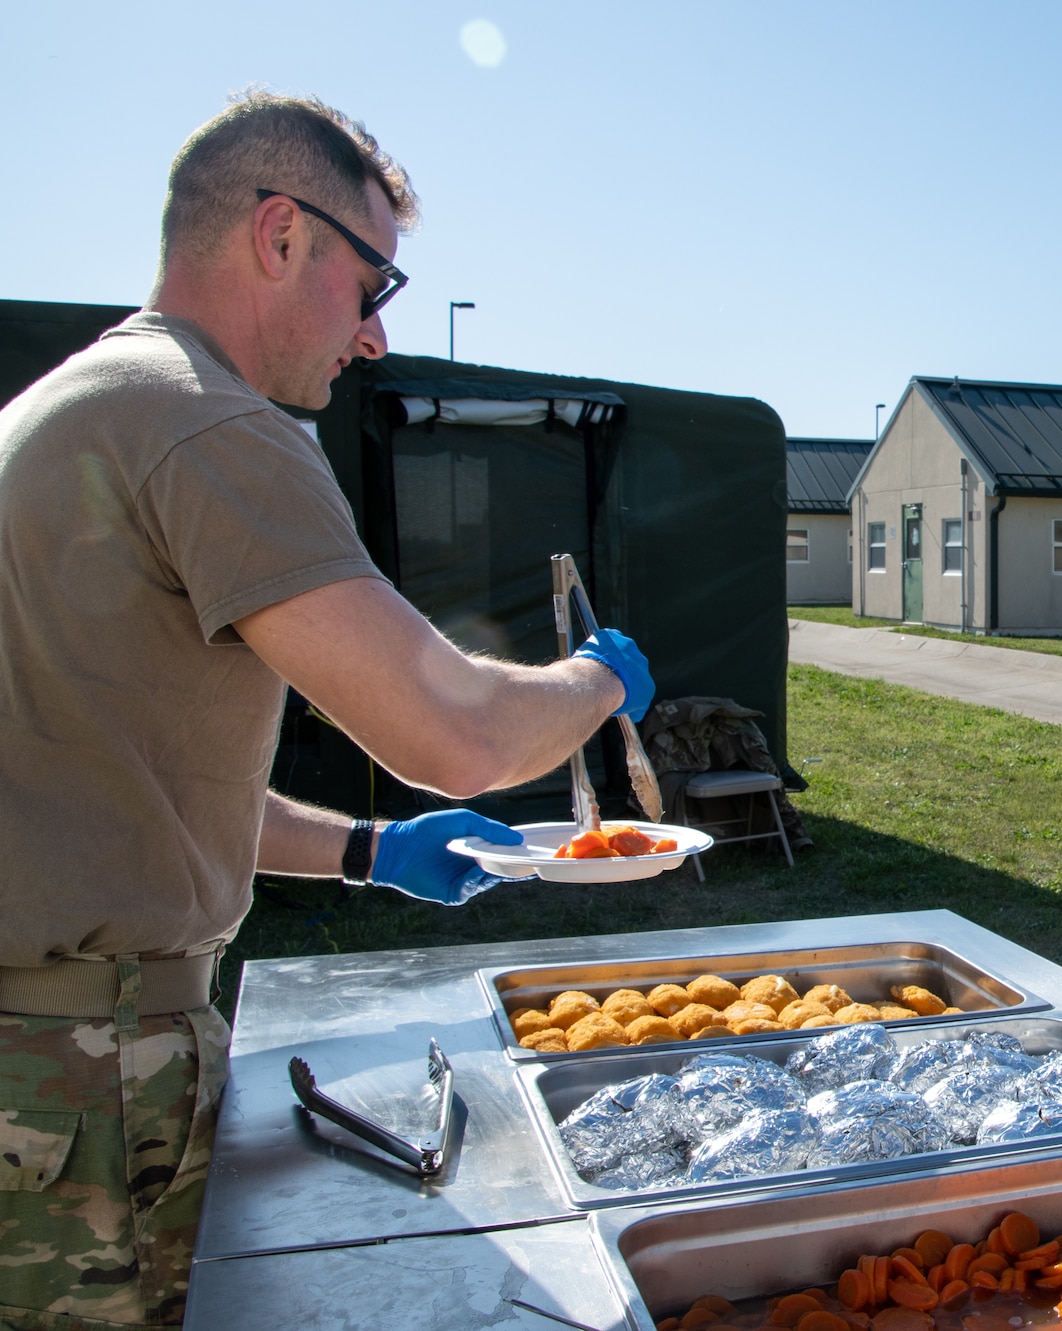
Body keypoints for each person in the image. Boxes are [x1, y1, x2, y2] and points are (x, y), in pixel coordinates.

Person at [0, 93, 654, 1328]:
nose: (370, 339)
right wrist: (601, 682)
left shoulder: (72, 403)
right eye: (376, 287)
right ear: (281, 235)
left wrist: (362, 849)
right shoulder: (209, 421)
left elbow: (114, 777)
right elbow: (456, 732)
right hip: (80, 1077)